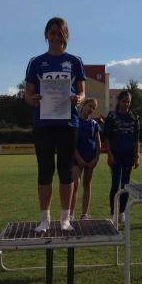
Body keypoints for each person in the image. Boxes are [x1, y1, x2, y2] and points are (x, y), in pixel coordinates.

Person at [24, 17, 86, 232]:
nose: (56, 37)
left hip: (68, 123)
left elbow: (82, 92)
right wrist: (32, 99)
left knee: (66, 172)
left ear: (66, 35)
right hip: (43, 124)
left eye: (61, 33)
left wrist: (79, 99)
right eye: (53, 33)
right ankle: (44, 219)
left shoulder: (75, 61)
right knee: (45, 171)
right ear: (46, 35)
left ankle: (65, 219)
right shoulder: (36, 62)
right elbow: (28, 94)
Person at [104, 90, 140, 223]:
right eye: (124, 101)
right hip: (115, 155)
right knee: (115, 184)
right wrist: (109, 154)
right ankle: (113, 212)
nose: (126, 104)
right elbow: (107, 138)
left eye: (128, 101)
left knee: (126, 185)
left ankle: (122, 212)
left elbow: (136, 139)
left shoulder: (134, 117)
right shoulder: (112, 116)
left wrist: (137, 156)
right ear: (119, 101)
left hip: (128, 156)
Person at [71, 98, 101, 220]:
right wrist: (79, 158)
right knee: (74, 184)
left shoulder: (95, 124)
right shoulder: (75, 121)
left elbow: (98, 143)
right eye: (90, 106)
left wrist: (96, 159)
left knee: (87, 185)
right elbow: (72, 143)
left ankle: (84, 214)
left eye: (94, 108)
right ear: (83, 105)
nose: (91, 109)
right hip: (77, 159)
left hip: (90, 160)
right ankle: (70, 214)